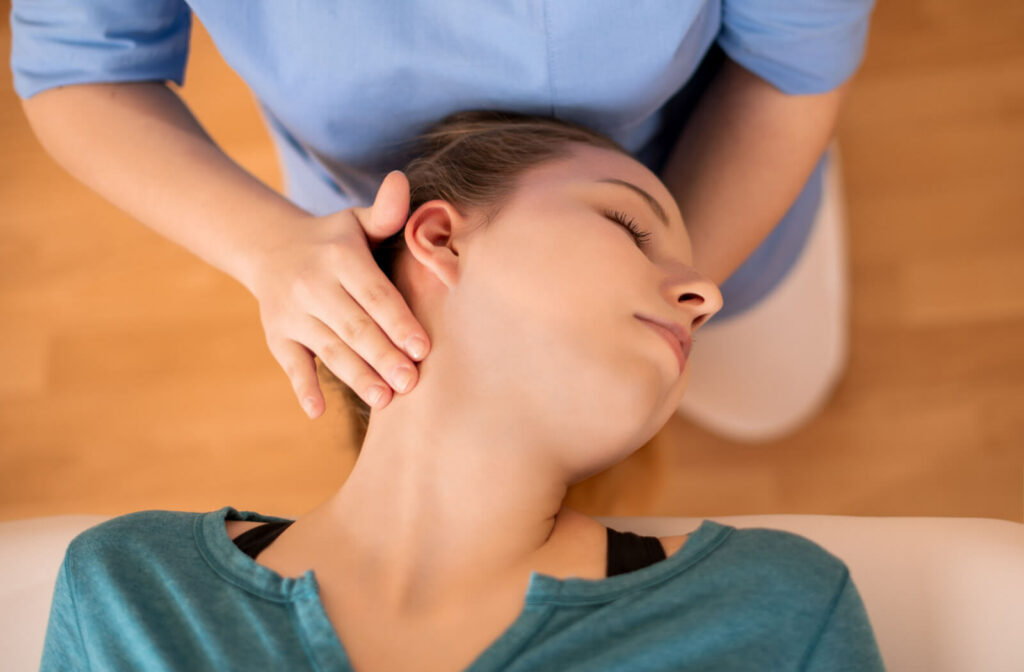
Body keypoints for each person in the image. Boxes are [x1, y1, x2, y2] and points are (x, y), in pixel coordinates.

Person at [37, 111, 886, 671]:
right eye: (629, 226)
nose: (709, 295)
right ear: (441, 239)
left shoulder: (779, 613)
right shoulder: (128, 593)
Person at [11, 1, 876, 441]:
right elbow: (80, 69)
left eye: (630, 222)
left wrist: (659, 288)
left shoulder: (692, 275)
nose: (699, 299)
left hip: (724, 166)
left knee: (771, 400)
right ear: (432, 239)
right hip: (352, 221)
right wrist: (264, 244)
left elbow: (786, 66)